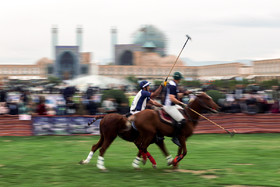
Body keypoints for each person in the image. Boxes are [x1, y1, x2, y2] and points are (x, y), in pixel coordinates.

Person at [163, 72, 191, 146]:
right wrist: (181, 103)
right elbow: (172, 98)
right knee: (182, 120)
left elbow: (177, 95)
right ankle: (175, 137)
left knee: (185, 111)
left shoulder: (173, 84)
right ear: (179, 78)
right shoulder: (172, 85)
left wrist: (185, 93)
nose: (181, 79)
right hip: (169, 106)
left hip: (173, 105)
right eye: (180, 78)